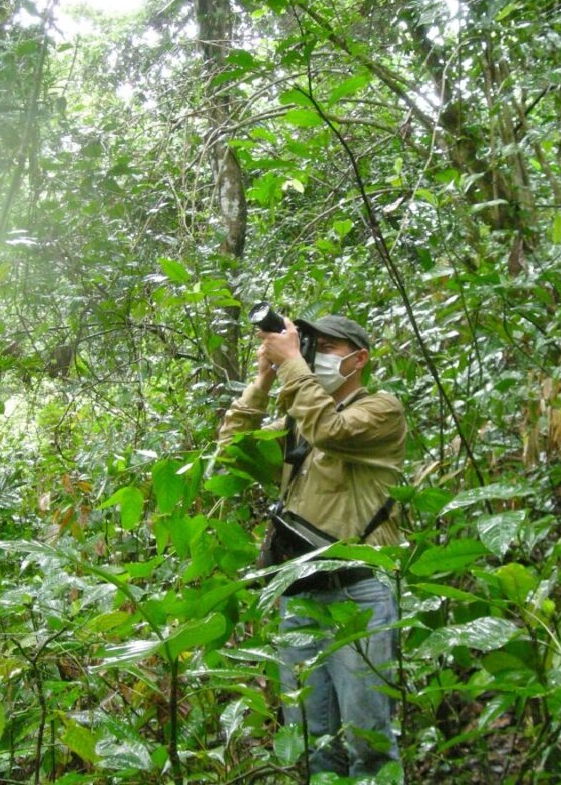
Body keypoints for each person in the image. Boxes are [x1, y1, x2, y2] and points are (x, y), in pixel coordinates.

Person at [218, 312, 406, 780]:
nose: (313, 354)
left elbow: (333, 432)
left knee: (368, 742)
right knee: (309, 741)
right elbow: (229, 460)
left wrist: (292, 371)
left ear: (358, 359)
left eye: (327, 346)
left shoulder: (382, 411)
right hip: (301, 593)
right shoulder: (297, 420)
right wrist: (263, 380)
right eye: (309, 344)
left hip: (359, 594)